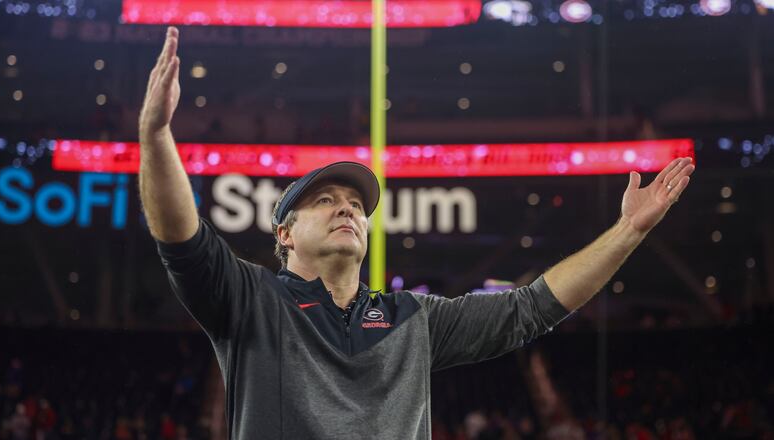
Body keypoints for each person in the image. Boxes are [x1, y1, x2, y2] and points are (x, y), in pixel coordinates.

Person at [138, 27, 695, 440]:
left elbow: (532, 308)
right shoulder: (249, 300)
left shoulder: (414, 319)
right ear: (284, 233)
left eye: (356, 204)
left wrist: (626, 231)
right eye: (326, 201)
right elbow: (180, 238)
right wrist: (157, 135)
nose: (347, 210)